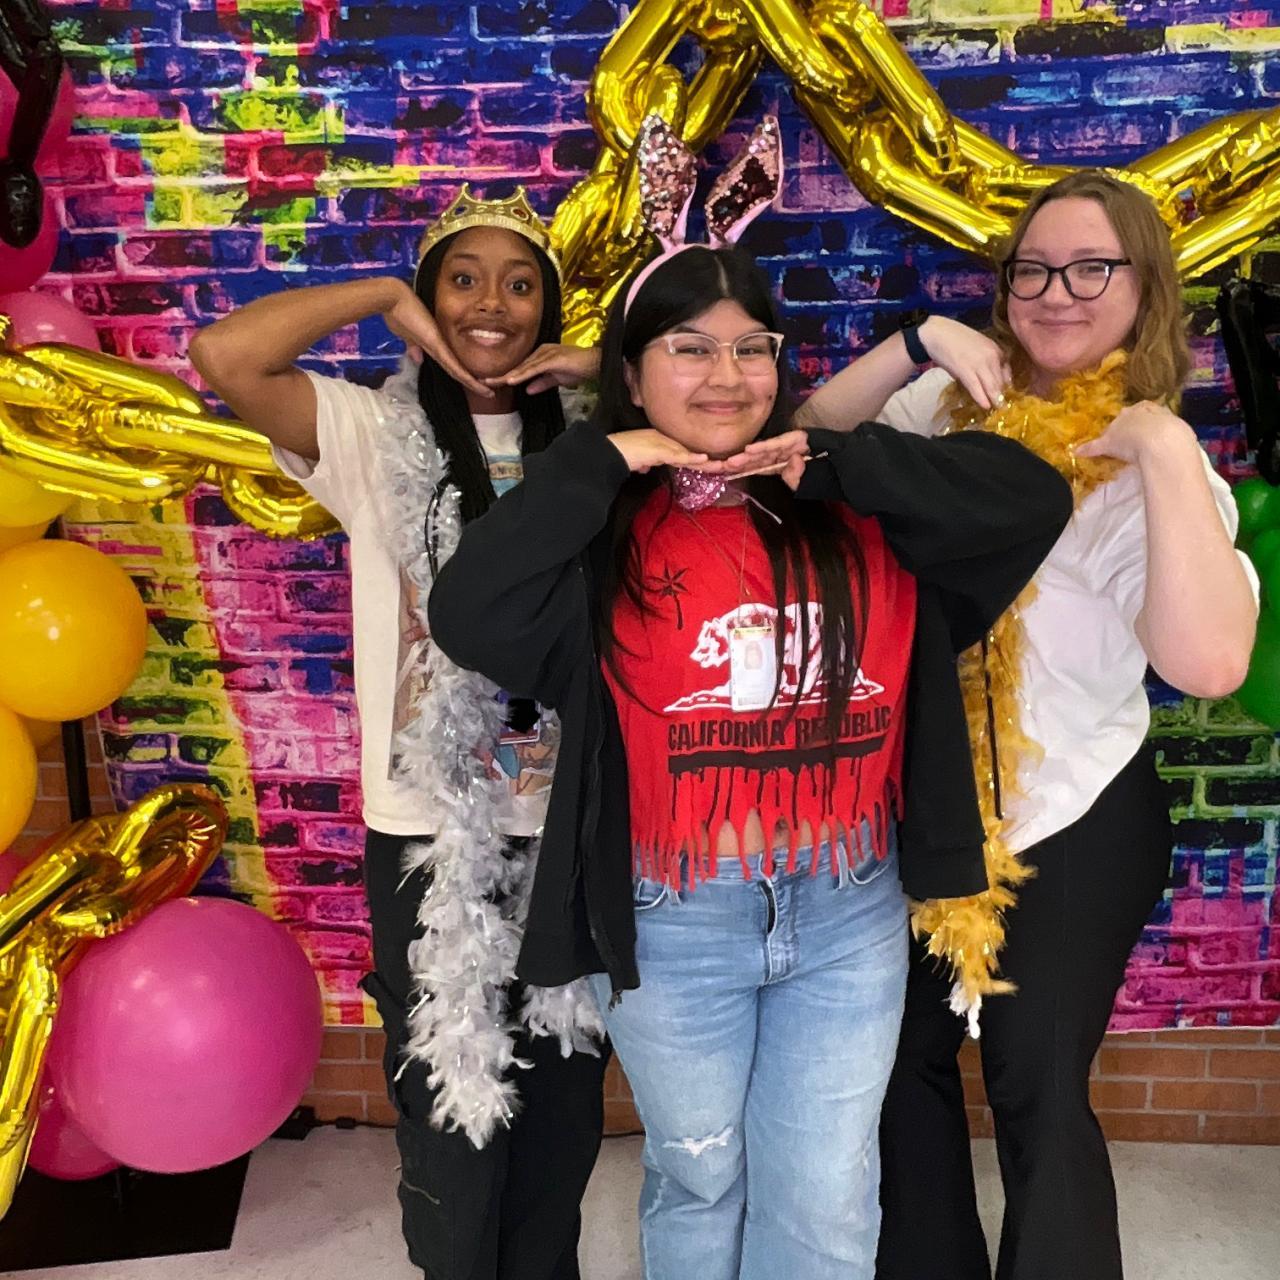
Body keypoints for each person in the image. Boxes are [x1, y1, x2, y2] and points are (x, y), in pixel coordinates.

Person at [425, 116, 1073, 1280]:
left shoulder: (852, 506)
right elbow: (470, 608)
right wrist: (604, 458)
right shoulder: (598, 537)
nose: (724, 376)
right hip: (674, 915)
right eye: (687, 349)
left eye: (748, 348)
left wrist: (835, 458)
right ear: (632, 374)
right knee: (699, 1172)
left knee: (824, 1191)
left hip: (845, 904)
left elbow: (1027, 498)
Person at [801, 170, 1260, 1280]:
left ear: (1145, 288)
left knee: (1036, 1084)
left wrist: (1160, 446)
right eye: (1033, 270)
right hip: (923, 803)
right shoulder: (944, 410)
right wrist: (915, 343)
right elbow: (806, 441)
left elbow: (1207, 664)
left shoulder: (1158, 471)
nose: (1056, 293)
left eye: (1090, 268)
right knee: (892, 1067)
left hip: (1077, 815)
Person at [189, 187, 609, 1280]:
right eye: (462, 279)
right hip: (427, 824)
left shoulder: (596, 439)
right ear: (430, 298)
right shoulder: (374, 432)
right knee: (448, 1102)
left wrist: (601, 366)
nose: (491, 304)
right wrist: (384, 291)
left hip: (569, 817)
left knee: (562, 1102)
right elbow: (227, 356)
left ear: (549, 309)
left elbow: (723, 401)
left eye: (519, 284)